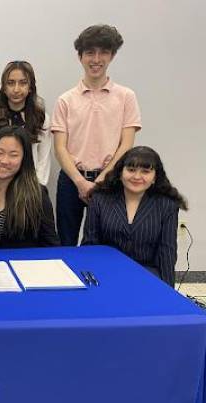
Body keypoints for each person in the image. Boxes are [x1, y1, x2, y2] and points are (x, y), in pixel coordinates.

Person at [51, 25, 142, 245]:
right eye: (90, 52)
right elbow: (60, 148)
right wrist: (80, 181)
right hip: (72, 180)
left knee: (105, 242)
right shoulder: (66, 100)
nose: (96, 59)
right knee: (66, 241)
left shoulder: (126, 97)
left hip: (110, 180)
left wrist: (102, 179)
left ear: (112, 55)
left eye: (103, 52)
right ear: (80, 56)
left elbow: (126, 144)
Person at [82, 147, 187, 287]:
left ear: (155, 177)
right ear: (120, 173)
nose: (137, 177)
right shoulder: (99, 199)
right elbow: (90, 244)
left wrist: (168, 293)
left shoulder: (167, 205)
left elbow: (166, 253)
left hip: (147, 274)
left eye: (145, 171)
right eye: (131, 170)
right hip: (106, 273)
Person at [0, 126, 59, 249]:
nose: (4, 161)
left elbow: (51, 243)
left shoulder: (37, 194)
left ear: (24, 159)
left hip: (25, 264)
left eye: (13, 155)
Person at [0, 61, 51, 186]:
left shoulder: (42, 119)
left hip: (31, 188)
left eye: (23, 83)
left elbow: (43, 160)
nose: (16, 89)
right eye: (11, 83)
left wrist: (37, 189)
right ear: (4, 88)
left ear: (30, 87)